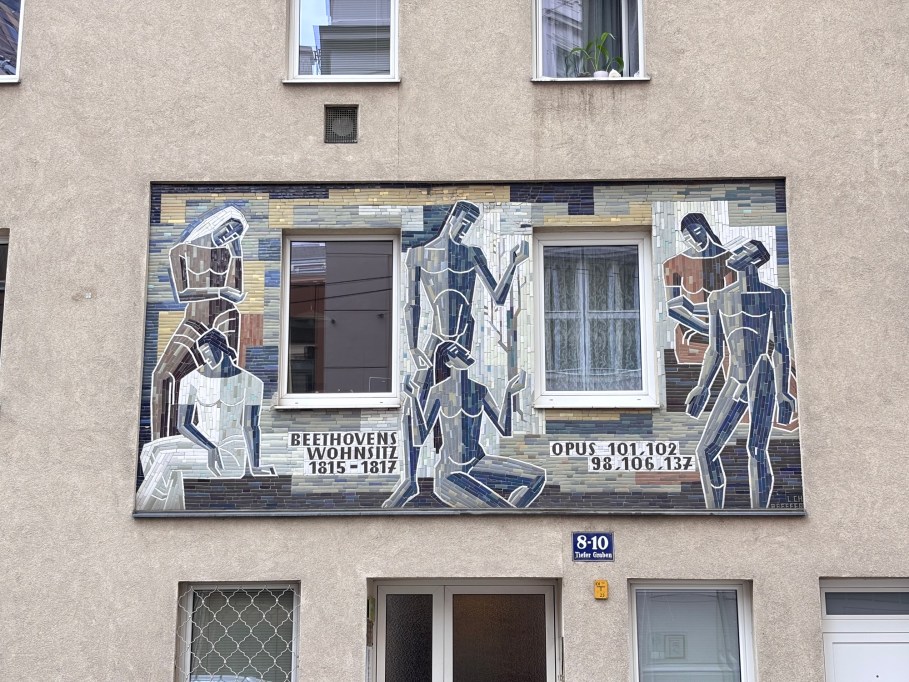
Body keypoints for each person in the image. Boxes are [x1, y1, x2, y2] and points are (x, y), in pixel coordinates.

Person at [383, 201, 529, 508]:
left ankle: (466, 464)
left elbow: (498, 295)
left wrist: (514, 264)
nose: (465, 229)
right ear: (452, 217)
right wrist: (413, 347)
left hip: (463, 341)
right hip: (436, 342)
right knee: (417, 402)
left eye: (470, 225)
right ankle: (409, 481)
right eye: (463, 222)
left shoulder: (472, 254)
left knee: (461, 401)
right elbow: (412, 304)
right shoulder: (419, 254)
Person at [685, 240, 796, 509]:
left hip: (762, 374)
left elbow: (781, 346)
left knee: (756, 449)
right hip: (734, 378)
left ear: (756, 259)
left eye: (744, 250)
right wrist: (703, 386)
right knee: (706, 450)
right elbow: (715, 349)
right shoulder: (719, 298)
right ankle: (715, 513)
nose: (736, 253)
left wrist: (782, 391)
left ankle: (761, 514)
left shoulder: (773, 295)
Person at [397, 341, 546, 509]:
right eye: (456, 350)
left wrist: (509, 393)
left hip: (478, 462)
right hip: (451, 473)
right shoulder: (439, 392)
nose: (464, 351)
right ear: (448, 362)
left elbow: (504, 429)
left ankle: (509, 517)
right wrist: (413, 399)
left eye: (462, 348)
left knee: (537, 478)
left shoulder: (480, 390)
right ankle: (508, 518)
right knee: (501, 510)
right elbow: (419, 438)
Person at [137, 330, 271, 512]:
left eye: (208, 352)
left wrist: (255, 466)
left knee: (165, 459)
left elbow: (251, 427)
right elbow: (183, 424)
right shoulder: (191, 379)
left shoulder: (251, 382)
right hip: (202, 442)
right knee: (149, 450)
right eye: (202, 354)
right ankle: (169, 505)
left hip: (230, 450)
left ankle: (146, 509)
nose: (205, 358)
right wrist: (210, 447)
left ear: (221, 347)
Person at [151, 205, 248, 440]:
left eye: (236, 233)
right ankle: (164, 440)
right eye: (228, 229)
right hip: (195, 319)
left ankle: (213, 439)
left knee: (219, 377)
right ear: (217, 222)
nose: (229, 236)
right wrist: (220, 290)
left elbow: (236, 292)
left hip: (225, 318)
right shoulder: (181, 251)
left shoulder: (228, 254)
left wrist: (236, 250)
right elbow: (183, 292)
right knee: (163, 375)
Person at [663, 213, 735, 364]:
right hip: (690, 333)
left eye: (697, 232)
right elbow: (673, 306)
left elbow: (733, 302)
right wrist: (702, 327)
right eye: (687, 238)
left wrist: (715, 328)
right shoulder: (673, 264)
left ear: (706, 229)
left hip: (725, 331)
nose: (695, 240)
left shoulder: (729, 260)